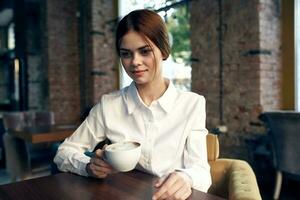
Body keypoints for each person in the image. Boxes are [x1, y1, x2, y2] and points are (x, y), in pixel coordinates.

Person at [54, 9, 211, 200]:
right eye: (126, 54)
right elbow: (63, 152)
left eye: (145, 51)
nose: (135, 62)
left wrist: (186, 178)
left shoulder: (192, 104)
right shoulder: (109, 106)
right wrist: (88, 166)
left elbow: (201, 171)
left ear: (163, 50)